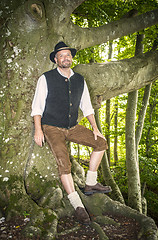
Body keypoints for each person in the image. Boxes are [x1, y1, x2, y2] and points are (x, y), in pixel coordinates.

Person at [31, 41, 112, 224]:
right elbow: (37, 107)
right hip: (52, 127)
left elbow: (87, 107)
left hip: (73, 127)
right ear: (55, 59)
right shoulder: (46, 78)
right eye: (61, 55)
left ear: (71, 58)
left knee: (101, 143)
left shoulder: (79, 80)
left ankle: (90, 182)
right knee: (63, 162)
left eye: (68, 55)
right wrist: (38, 129)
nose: (65, 58)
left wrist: (95, 128)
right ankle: (77, 205)